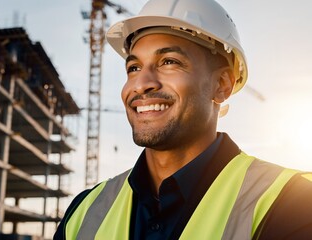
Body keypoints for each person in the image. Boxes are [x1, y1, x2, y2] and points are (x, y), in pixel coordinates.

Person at [54, 0, 312, 239]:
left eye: (169, 62)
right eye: (134, 67)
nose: (141, 84)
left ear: (222, 85)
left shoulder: (292, 204)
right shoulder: (84, 212)